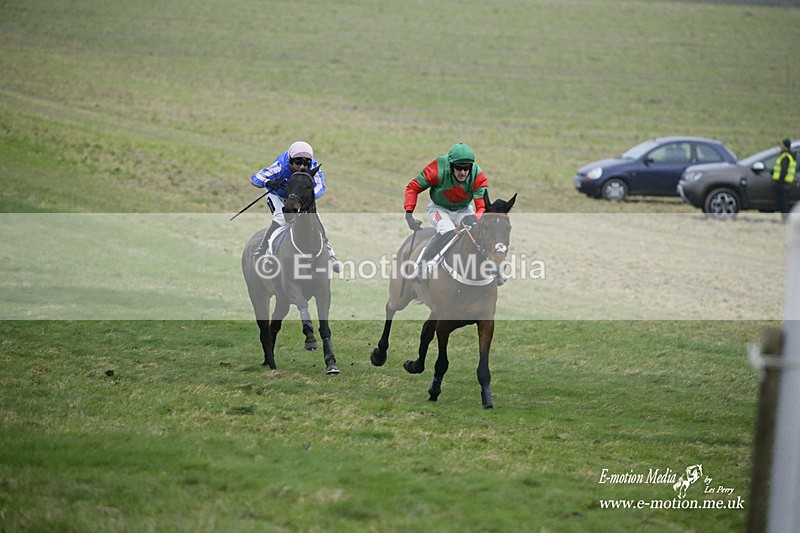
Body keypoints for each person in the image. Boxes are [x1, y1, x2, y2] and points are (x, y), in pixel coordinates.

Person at [404, 142, 489, 279]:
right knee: (448, 231)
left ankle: (491, 268)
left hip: (463, 209)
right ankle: (421, 264)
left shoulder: (477, 176)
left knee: (478, 232)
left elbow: (482, 207)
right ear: (451, 165)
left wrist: (474, 218)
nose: (463, 172)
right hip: (439, 208)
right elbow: (413, 187)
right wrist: (409, 213)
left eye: (466, 168)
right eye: (458, 168)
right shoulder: (437, 169)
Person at [250, 141, 338, 268]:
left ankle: (329, 251)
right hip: (278, 196)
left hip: (299, 199)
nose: (302, 167)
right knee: (281, 219)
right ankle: (263, 250)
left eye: (306, 163)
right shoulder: (280, 166)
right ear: (290, 161)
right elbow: (255, 178)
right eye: (298, 163)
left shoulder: (314, 167)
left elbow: (321, 187)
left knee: (315, 217)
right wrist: (268, 182)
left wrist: (305, 195)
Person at [773, 138, 796, 221]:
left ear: (785, 146)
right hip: (787, 181)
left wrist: (779, 179)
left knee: (783, 202)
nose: (780, 145)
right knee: (785, 201)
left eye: (782, 144)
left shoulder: (785, 156)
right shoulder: (790, 155)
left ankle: (785, 219)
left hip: (783, 182)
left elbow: (783, 170)